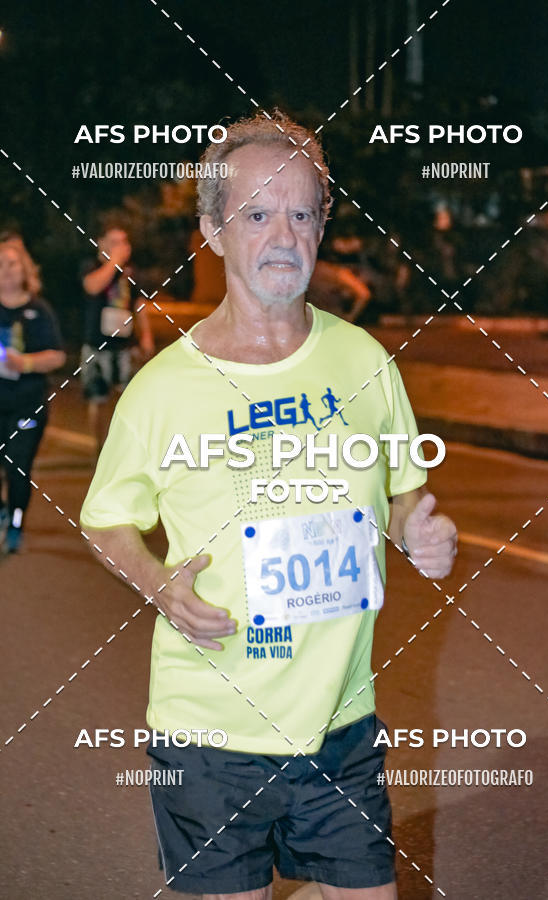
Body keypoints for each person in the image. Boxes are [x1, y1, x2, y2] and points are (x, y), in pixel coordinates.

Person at [80, 111, 458, 899]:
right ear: (214, 231)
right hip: (209, 731)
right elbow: (106, 519)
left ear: (322, 223)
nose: (283, 235)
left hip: (342, 724)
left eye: (301, 212)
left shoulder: (363, 360)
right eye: (256, 214)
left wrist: (420, 531)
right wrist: (159, 585)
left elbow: (403, 496)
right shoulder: (161, 390)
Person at [0, 238, 65, 553]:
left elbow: (58, 356)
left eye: (12, 263)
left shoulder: (39, 310)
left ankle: (15, 524)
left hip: (28, 406)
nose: (6, 271)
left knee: (17, 466)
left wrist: (23, 362)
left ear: (24, 268)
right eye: (0, 264)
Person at [80, 226, 154, 454]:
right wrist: (113, 262)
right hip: (97, 343)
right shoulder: (91, 267)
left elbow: (139, 305)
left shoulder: (132, 273)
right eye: (113, 242)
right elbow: (92, 286)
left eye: (123, 242)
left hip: (125, 344)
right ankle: (99, 448)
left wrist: (146, 336)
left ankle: (127, 447)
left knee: (130, 398)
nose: (119, 247)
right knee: (97, 398)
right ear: (101, 243)